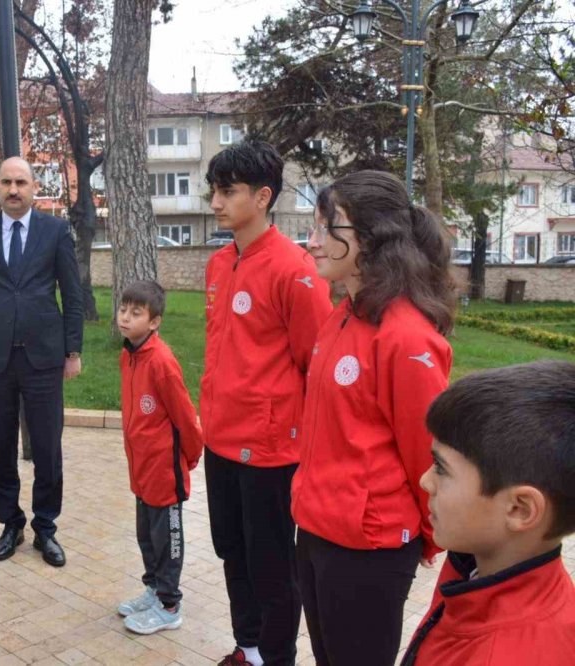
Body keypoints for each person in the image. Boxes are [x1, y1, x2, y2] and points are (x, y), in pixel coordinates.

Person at [290, 170, 457, 666]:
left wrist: (428, 534)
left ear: (370, 236)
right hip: (316, 529)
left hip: (368, 546)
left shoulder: (406, 337)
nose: (312, 241)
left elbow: (425, 454)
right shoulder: (340, 316)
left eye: (326, 227)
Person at [201, 141, 333, 666]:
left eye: (227, 191)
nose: (215, 202)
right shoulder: (218, 263)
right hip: (220, 440)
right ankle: (249, 648)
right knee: (232, 551)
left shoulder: (295, 270)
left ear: (262, 196)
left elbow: (314, 364)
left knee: (273, 566)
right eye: (213, 190)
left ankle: (277, 657)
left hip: (272, 451)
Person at [401, 361, 575, 665]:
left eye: (441, 468)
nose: (425, 481)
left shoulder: (503, 654)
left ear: (519, 509)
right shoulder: (476, 566)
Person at [0, 157, 84, 567]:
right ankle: (10, 523)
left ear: (34, 187)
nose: (14, 190)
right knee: (0, 446)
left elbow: (72, 293)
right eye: (7, 183)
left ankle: (45, 528)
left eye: (22, 183)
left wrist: (73, 351)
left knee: (48, 446)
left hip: (44, 357)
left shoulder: (55, 231)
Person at [114, 280, 204, 635]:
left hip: (165, 474)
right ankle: (153, 589)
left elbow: (185, 417)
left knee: (167, 540)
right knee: (146, 537)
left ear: (154, 322)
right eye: (123, 309)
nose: (125, 317)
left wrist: (190, 459)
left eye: (136, 313)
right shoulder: (128, 356)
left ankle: (169, 604)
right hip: (142, 471)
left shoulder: (162, 363)